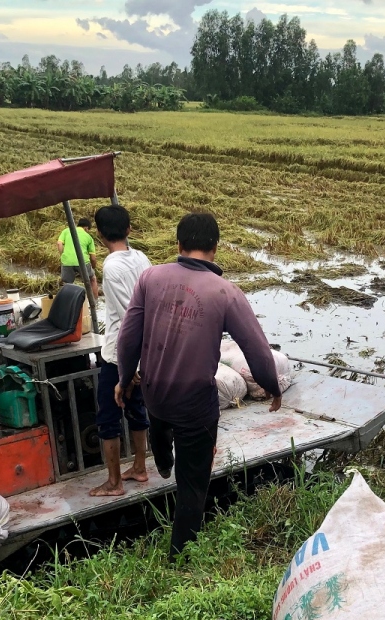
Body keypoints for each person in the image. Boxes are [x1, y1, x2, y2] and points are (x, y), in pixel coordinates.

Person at [114, 212, 282, 556]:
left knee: (159, 422)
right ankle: (181, 553)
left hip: (154, 391)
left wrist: (123, 378)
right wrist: (272, 386)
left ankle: (162, 461)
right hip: (195, 404)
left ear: (179, 244)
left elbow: (128, 336)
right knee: (192, 483)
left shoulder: (150, 277)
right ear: (215, 249)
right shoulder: (225, 292)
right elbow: (256, 348)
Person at [88, 205, 152, 497]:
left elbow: (129, 316)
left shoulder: (111, 267)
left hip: (119, 354)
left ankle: (114, 483)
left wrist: (129, 367)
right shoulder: (141, 257)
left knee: (108, 418)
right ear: (129, 229)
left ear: (99, 235)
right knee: (138, 410)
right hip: (143, 352)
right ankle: (140, 467)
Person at [57, 217, 99, 298]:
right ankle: (95, 302)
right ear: (86, 228)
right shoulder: (88, 237)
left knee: (67, 284)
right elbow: (93, 258)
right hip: (82, 262)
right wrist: (93, 267)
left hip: (67, 262)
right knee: (92, 279)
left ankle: (67, 302)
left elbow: (59, 244)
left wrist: (63, 255)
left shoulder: (66, 231)